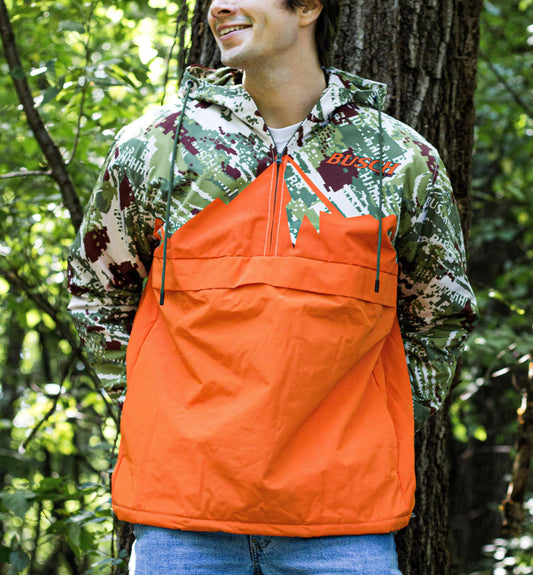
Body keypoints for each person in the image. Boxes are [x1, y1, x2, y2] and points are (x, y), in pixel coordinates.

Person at [67, 0, 478, 573]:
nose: (218, 6)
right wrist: (148, 412)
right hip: (180, 517)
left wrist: (383, 424)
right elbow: (98, 292)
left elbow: (441, 315)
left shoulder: (398, 161)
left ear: (308, 6)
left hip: (344, 521)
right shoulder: (156, 150)